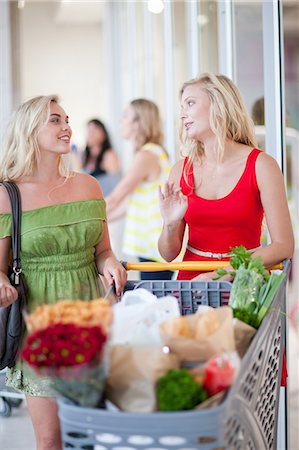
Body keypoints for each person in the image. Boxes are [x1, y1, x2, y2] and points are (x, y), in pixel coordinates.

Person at [0, 95, 127, 450]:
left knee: (94, 433)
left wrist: (111, 264)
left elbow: (102, 251)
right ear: (29, 130)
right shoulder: (7, 195)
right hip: (38, 326)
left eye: (67, 119)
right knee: (51, 437)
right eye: (54, 120)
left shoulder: (89, 185)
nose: (67, 127)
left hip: (91, 319)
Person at [158, 73, 294, 280]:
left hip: (245, 283)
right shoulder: (181, 171)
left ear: (218, 104)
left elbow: (284, 245)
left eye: (190, 103)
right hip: (192, 285)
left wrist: (222, 273)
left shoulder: (262, 166)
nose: (183, 115)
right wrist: (169, 224)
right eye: (182, 108)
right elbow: (168, 255)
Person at [106, 98, 173, 280]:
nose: (121, 121)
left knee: (155, 301)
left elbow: (115, 198)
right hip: (153, 246)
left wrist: (82, 219)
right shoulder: (153, 152)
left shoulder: (146, 155)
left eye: (125, 116)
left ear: (138, 123)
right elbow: (128, 204)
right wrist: (100, 220)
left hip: (155, 247)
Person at [82, 118, 120, 196]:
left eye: (94, 131)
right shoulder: (85, 156)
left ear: (103, 134)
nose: (90, 134)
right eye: (88, 131)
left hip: (106, 201)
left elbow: (116, 184)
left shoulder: (109, 155)